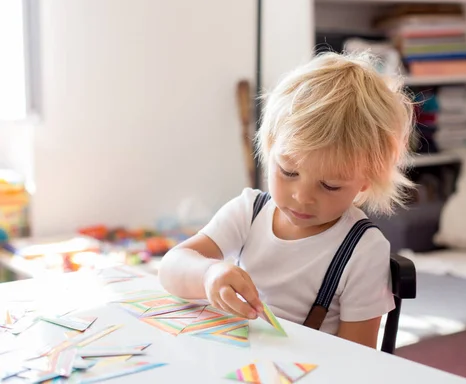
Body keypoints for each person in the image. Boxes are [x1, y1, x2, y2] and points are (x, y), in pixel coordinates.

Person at [159, 51, 414, 348]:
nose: (302, 197)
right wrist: (208, 273)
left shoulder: (363, 250)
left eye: (330, 185)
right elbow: (171, 267)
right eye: (289, 171)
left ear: (365, 182)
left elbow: (359, 361)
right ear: (269, 149)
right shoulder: (249, 212)